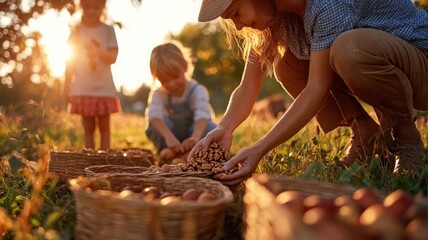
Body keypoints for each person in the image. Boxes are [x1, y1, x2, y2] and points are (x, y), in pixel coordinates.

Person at [191, 0, 428, 185]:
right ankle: (366, 133)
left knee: (348, 48)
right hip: (388, 63)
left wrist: (259, 148)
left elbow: (317, 87)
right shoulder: (279, 16)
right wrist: (224, 127)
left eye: (235, 14)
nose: (239, 26)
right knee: (288, 65)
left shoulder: (327, 4)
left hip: (421, 65)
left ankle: (406, 140)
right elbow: (247, 86)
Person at [64, 0, 120, 150]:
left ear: (102, 8)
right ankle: (90, 158)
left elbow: (113, 57)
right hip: (83, 87)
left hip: (104, 87)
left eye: (96, 8)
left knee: (104, 127)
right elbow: (70, 62)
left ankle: (104, 158)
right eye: (88, 7)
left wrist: (97, 53)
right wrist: (66, 86)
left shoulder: (108, 30)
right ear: (82, 8)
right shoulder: (77, 31)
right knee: (88, 127)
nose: (91, 11)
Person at [145, 40, 217, 156]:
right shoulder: (159, 93)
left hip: (194, 134)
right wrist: (169, 137)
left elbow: (202, 115)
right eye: (164, 80)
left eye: (175, 77)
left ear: (185, 66)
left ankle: (197, 150)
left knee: (211, 127)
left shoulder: (196, 90)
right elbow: (154, 115)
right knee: (154, 124)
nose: (171, 84)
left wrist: (195, 137)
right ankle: (169, 150)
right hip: (172, 137)